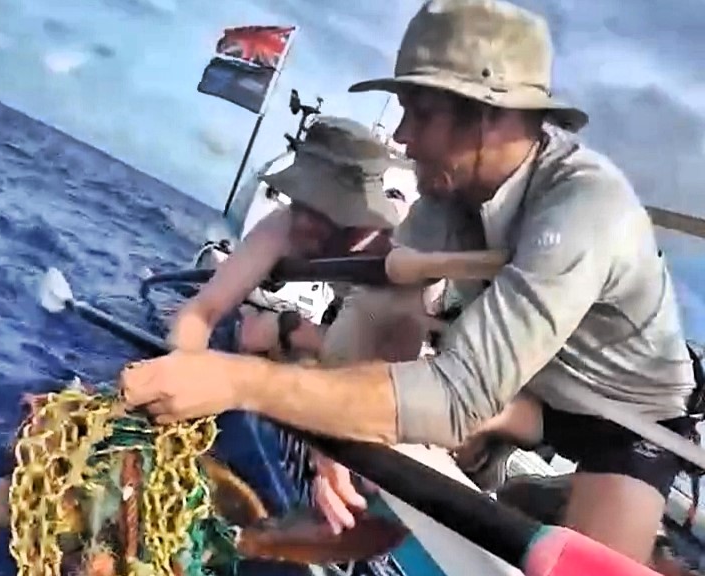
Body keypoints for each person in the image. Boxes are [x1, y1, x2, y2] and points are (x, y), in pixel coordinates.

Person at [118, 0, 699, 565]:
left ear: (488, 117)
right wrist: (330, 451)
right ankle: (470, 499)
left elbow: (452, 398)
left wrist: (240, 380)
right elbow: (374, 324)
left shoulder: (585, 205)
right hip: (527, 389)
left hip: (624, 420)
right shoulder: (445, 204)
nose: (400, 137)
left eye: (420, 114)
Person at [168, 114, 404, 359]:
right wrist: (177, 365)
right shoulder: (285, 222)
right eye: (300, 200)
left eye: (320, 210)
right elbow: (202, 312)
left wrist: (287, 330)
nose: (301, 221)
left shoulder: (399, 256)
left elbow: (400, 373)